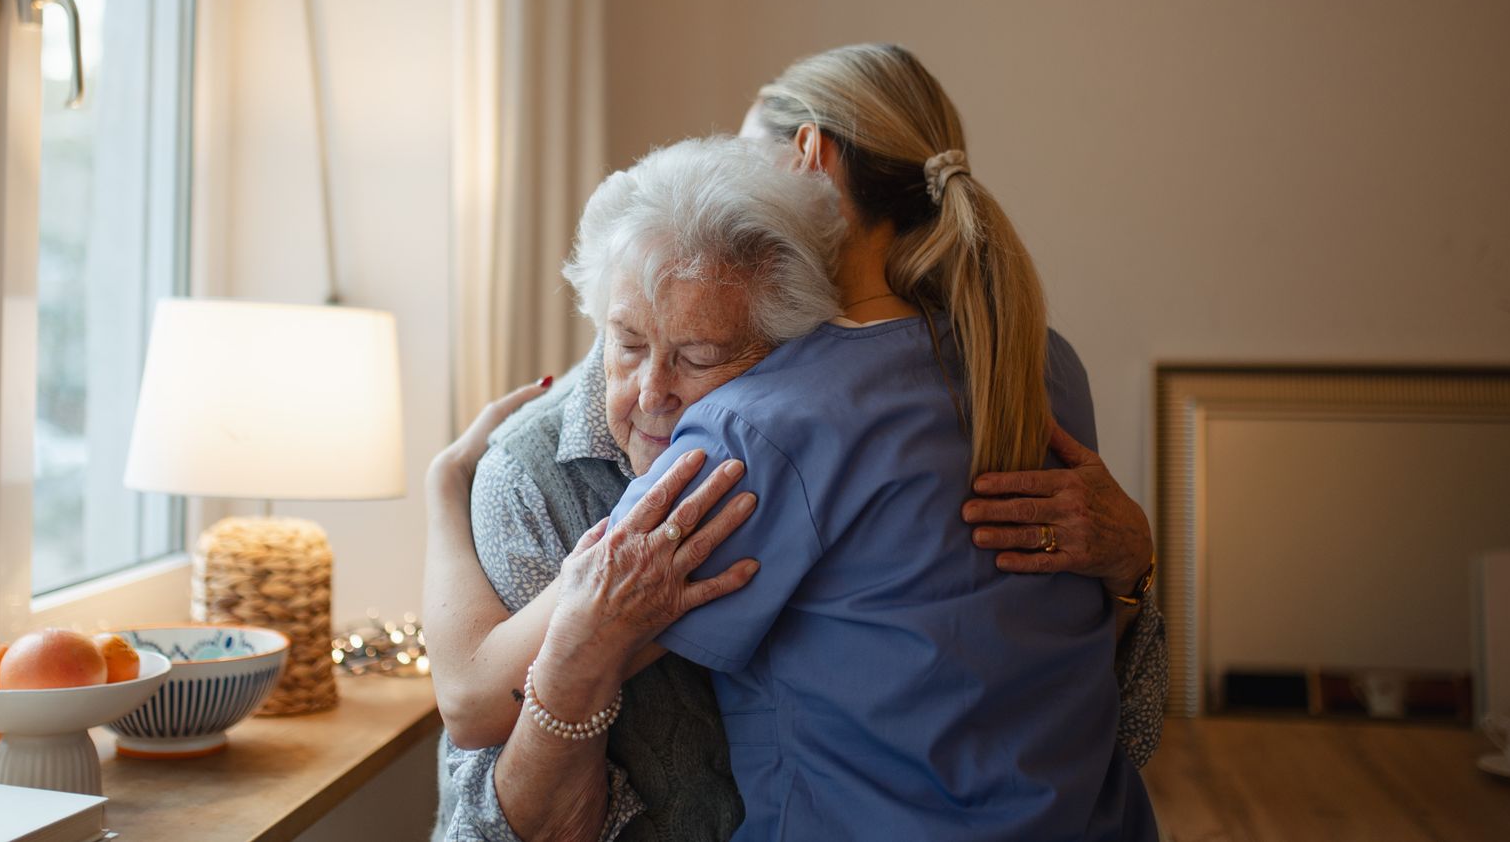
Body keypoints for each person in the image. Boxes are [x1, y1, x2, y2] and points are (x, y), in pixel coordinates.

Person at [427, 46, 1163, 841]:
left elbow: (473, 697)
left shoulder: (766, 424)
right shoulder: (1038, 357)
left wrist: (441, 491)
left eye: (746, 166)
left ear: (808, 157)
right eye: (629, 344)